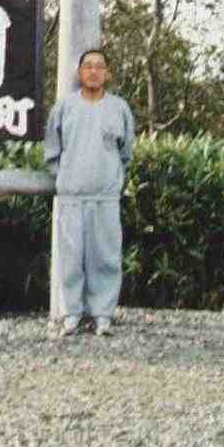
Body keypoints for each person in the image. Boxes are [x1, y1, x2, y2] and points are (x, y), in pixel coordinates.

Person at [43, 48, 135, 337]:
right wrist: (66, 177)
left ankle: (103, 315)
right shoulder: (64, 107)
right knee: (71, 257)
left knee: (105, 257)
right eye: (88, 66)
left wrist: (112, 178)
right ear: (80, 72)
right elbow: (52, 150)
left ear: (107, 73)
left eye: (99, 66)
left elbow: (126, 153)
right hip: (71, 195)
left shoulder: (119, 108)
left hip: (105, 195)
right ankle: (71, 314)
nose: (94, 71)